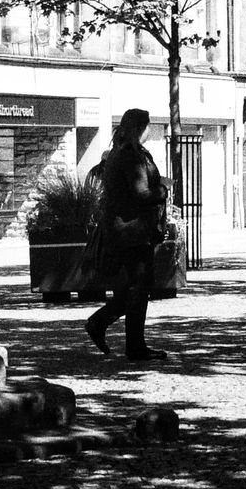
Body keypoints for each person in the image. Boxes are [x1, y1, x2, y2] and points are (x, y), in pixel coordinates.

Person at [85, 108, 171, 363]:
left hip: (124, 229)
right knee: (138, 287)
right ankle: (133, 345)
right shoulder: (130, 155)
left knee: (130, 290)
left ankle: (101, 324)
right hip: (132, 230)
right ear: (139, 128)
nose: (149, 131)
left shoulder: (118, 153)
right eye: (148, 126)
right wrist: (163, 190)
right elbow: (141, 192)